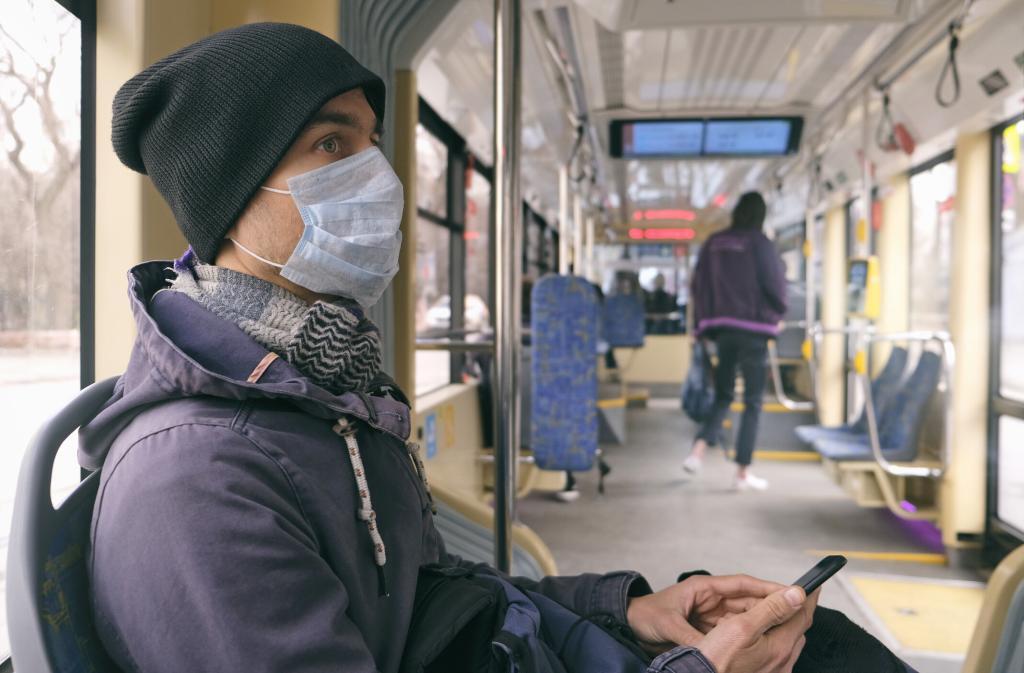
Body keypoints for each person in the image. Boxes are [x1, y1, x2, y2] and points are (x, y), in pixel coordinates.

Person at [77, 23, 914, 673]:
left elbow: (436, 596)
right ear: (233, 193)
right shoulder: (195, 483)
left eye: (372, 142)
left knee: (822, 641)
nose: (377, 175)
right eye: (332, 145)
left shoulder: (332, 390)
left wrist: (628, 611)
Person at [683, 192, 788, 491]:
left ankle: (697, 451)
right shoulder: (759, 244)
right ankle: (742, 473)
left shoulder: (713, 243)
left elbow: (698, 284)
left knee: (723, 395)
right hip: (754, 330)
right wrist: (778, 312)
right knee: (752, 401)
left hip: (722, 330)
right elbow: (775, 284)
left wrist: (702, 325)